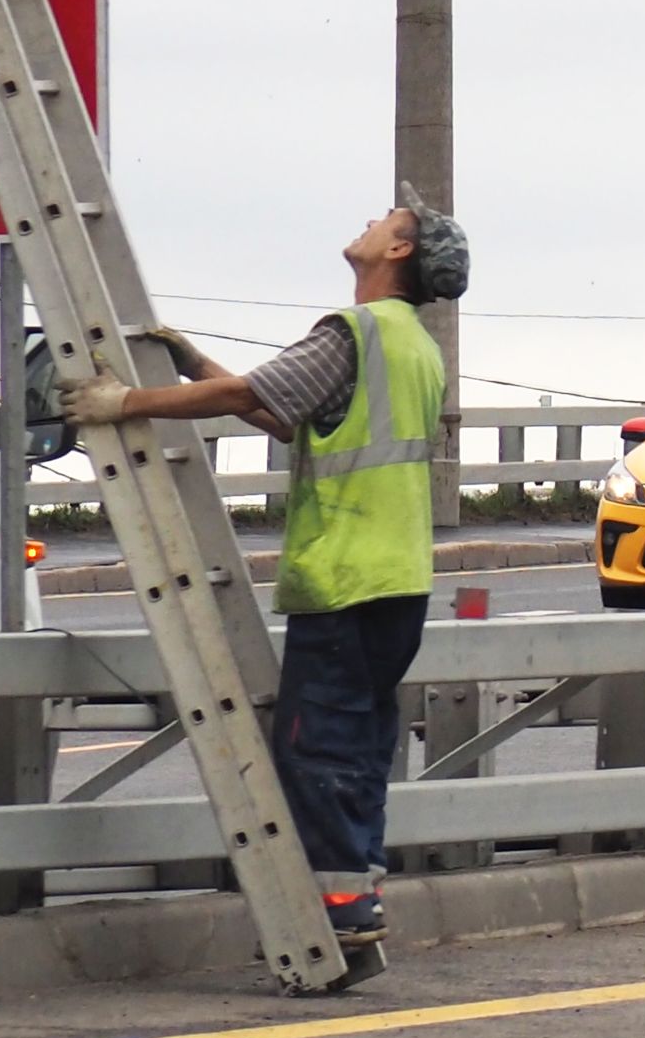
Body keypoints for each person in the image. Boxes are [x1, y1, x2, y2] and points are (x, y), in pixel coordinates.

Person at [64, 202, 463, 968]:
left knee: (322, 745)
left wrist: (126, 404)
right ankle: (357, 892)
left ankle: (343, 907)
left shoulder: (354, 333)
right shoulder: (414, 345)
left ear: (400, 248)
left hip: (344, 577)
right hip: (398, 577)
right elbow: (285, 413)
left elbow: (252, 398)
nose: (371, 222)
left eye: (387, 218)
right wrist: (193, 364)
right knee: (361, 740)